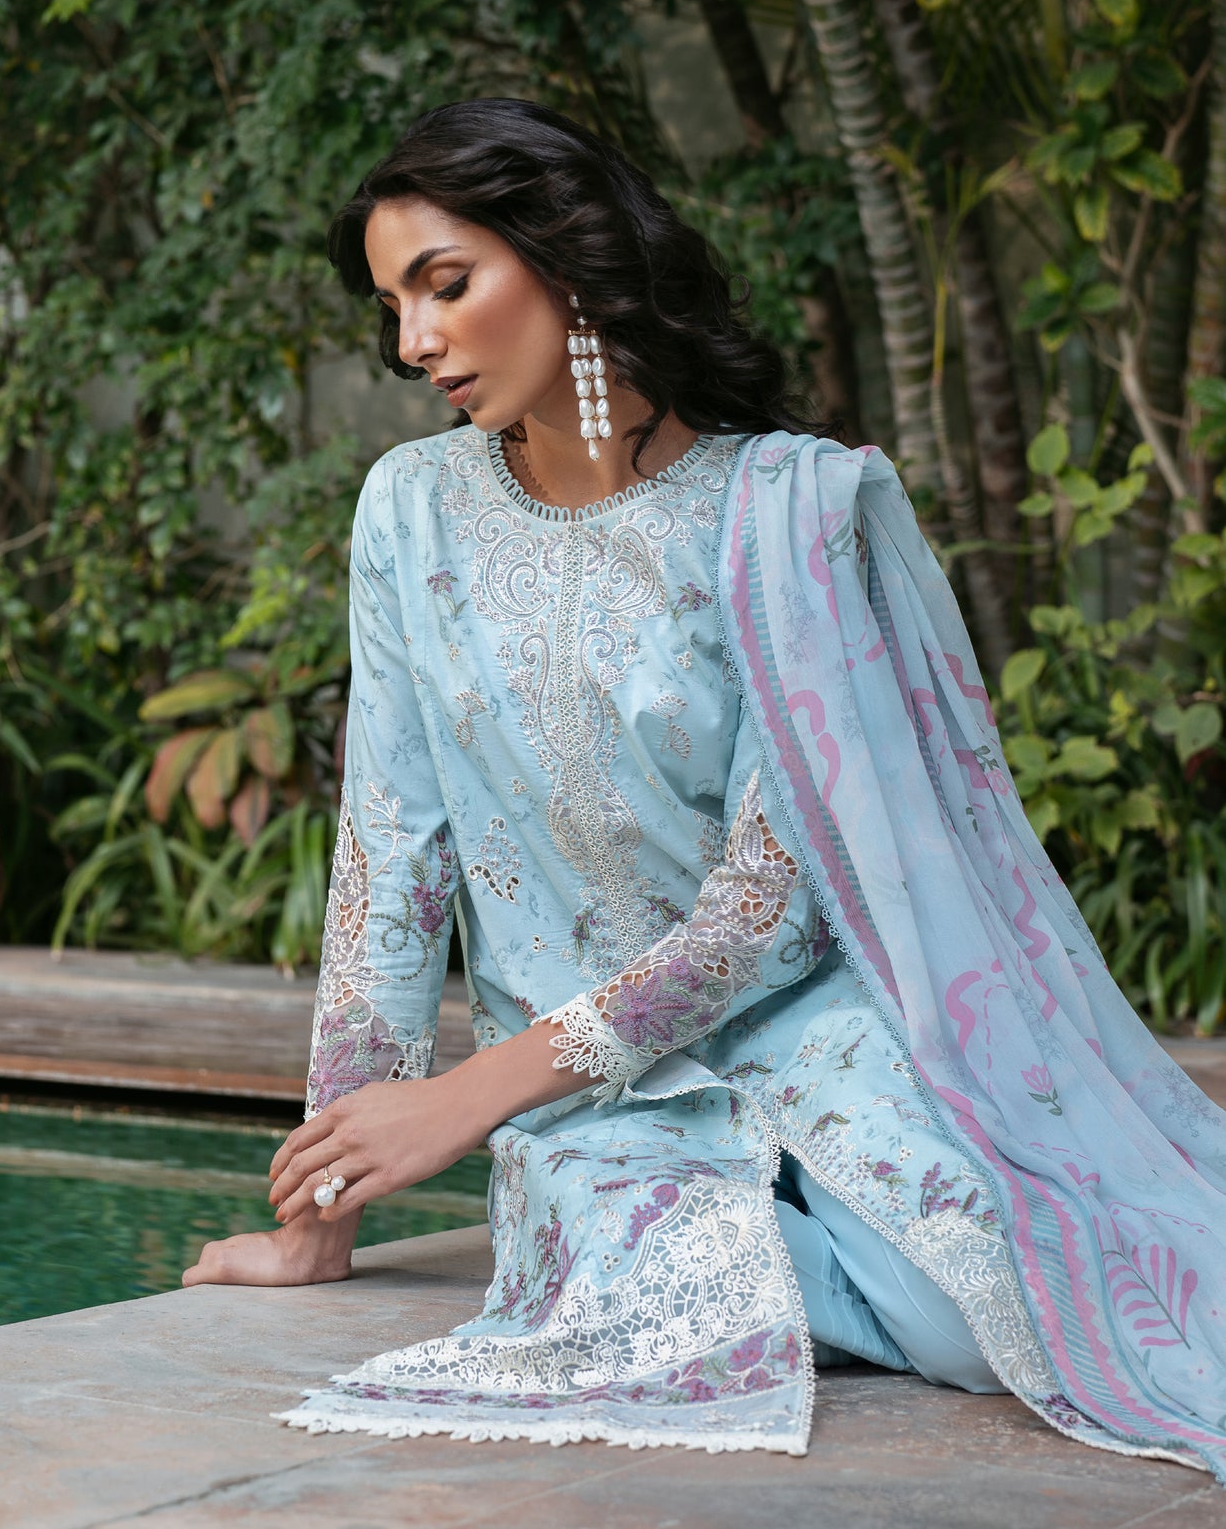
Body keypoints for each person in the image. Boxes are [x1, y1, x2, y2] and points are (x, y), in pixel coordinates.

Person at [183, 97, 1226, 1472]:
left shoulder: (781, 509)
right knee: (665, 1299)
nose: (414, 340)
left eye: (445, 285)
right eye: (393, 308)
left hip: (811, 1026)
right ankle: (729, 1241)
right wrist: (318, 1220)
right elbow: (390, 860)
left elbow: (772, 906)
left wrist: (470, 1093)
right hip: (596, 1101)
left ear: (565, 260)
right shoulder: (411, 509)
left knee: (1006, 1313)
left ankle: (818, 1232)